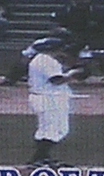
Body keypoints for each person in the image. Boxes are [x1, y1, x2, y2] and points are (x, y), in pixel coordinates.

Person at [26, 36, 74, 164]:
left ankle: (42, 158)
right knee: (54, 129)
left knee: (48, 129)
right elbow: (56, 80)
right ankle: (39, 158)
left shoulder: (41, 59)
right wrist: (73, 74)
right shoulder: (46, 61)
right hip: (49, 98)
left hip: (46, 97)